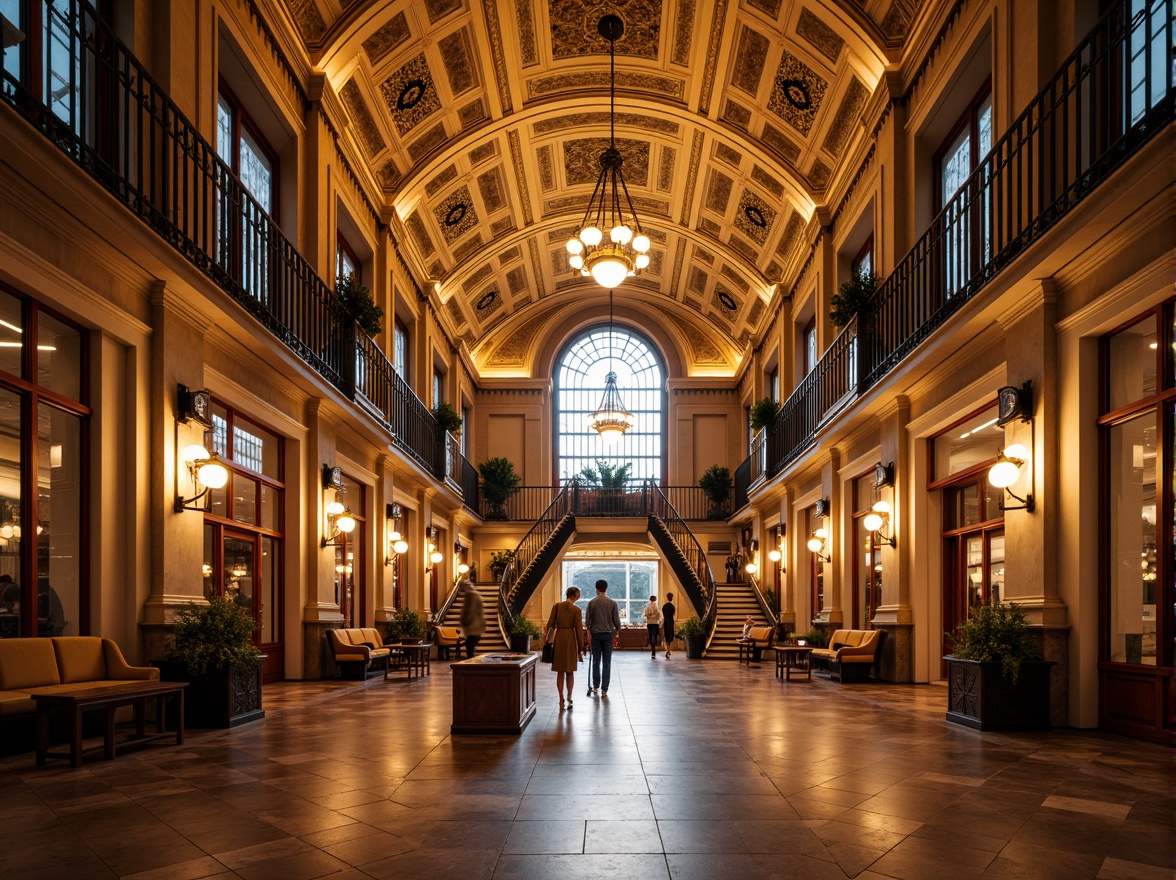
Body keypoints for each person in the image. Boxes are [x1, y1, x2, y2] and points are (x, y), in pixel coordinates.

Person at [545, 586, 583, 710]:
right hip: (570, 638)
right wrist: (581, 647)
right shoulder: (576, 610)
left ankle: (560, 697)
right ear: (576, 595)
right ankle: (569, 696)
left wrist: (547, 640)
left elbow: (550, 624)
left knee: (560, 671)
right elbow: (578, 630)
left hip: (559, 637)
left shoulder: (557, 606)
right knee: (570, 671)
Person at [585, 579, 621, 696]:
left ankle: (595, 685)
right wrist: (617, 632)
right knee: (607, 662)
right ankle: (604, 689)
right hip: (608, 635)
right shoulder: (612, 603)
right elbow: (617, 621)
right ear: (606, 589)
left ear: (596, 589)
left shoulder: (591, 603)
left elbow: (587, 621)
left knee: (596, 661)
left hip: (596, 635)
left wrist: (588, 635)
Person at [459, 579, 484, 658]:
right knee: (470, 646)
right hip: (477, 625)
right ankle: (472, 664)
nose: (464, 590)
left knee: (470, 647)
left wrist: (464, 621)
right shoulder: (476, 595)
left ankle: (471, 666)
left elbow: (469, 610)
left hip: (472, 625)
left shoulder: (470, 596)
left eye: (464, 588)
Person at [642, 594, 662, 659]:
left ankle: (652, 650)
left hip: (650, 623)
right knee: (655, 636)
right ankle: (654, 650)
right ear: (655, 599)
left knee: (650, 636)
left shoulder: (648, 606)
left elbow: (645, 614)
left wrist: (649, 616)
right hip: (655, 623)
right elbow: (659, 615)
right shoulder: (656, 606)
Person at [662, 591, 676, 659]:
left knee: (666, 635)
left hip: (665, 622)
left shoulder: (664, 606)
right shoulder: (672, 606)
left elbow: (663, 614)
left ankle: (667, 650)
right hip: (670, 622)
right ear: (672, 598)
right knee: (670, 636)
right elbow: (673, 614)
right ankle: (668, 649)